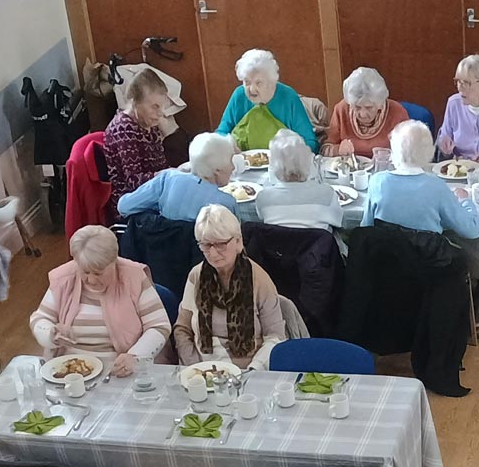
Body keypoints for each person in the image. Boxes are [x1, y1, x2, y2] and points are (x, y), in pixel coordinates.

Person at [28, 225, 170, 378]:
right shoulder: (64, 278)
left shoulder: (133, 277)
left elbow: (159, 326)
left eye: (98, 273)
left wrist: (135, 356)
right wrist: (51, 333)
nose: (91, 280)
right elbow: (39, 319)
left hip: (119, 371)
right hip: (70, 372)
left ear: (114, 262)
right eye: (85, 271)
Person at [173, 204, 287, 368]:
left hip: (247, 370)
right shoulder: (196, 276)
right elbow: (182, 329)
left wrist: (253, 369)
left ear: (238, 242)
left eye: (221, 244)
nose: (213, 253)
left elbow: (275, 337)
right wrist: (195, 367)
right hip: (202, 367)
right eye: (206, 245)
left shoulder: (260, 280)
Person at [361, 119, 479, 239]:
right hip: (426, 252)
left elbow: (366, 228)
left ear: (393, 153)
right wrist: (465, 200)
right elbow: (472, 230)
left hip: (385, 251)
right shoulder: (437, 187)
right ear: (430, 153)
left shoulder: (377, 182)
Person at [117, 130, 236, 224]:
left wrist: (160, 208)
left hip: (158, 246)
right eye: (231, 161)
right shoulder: (225, 204)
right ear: (217, 170)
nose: (233, 167)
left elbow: (124, 206)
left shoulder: (167, 179)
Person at [217, 49, 318, 151]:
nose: (252, 89)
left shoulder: (288, 97)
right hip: (242, 160)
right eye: (247, 82)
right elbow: (221, 134)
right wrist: (229, 147)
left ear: (271, 81)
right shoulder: (239, 96)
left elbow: (309, 142)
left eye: (258, 83)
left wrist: (289, 153)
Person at [100, 70, 170, 214]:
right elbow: (132, 181)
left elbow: (160, 166)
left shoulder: (148, 124)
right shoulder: (123, 129)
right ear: (135, 102)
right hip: (132, 205)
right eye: (154, 106)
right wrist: (166, 175)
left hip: (153, 196)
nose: (160, 113)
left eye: (162, 107)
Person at [256, 129, 344, 231]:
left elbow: (261, 217)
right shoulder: (327, 194)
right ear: (308, 159)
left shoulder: (263, 198)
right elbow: (339, 221)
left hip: (277, 242)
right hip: (316, 241)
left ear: (273, 165)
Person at [327, 66, 410, 160]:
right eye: (357, 107)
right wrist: (337, 150)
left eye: (369, 107)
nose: (362, 114)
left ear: (380, 103)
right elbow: (324, 149)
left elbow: (410, 151)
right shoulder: (341, 110)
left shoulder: (397, 113)